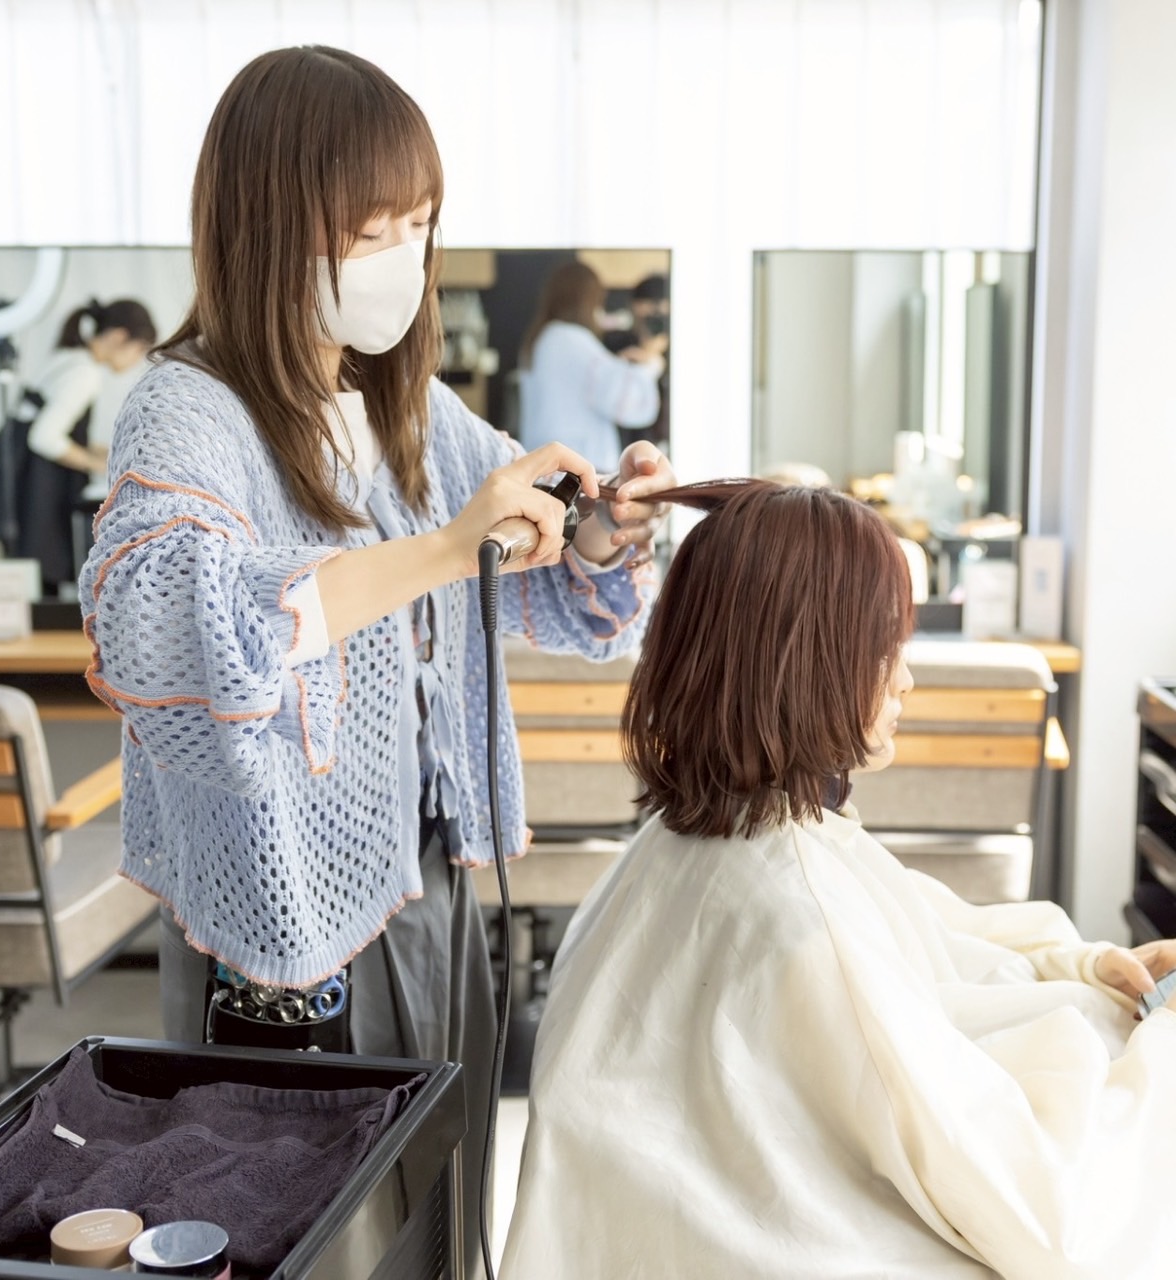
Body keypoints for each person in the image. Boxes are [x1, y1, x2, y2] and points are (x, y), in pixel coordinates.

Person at [76, 45, 674, 1280]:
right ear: (270, 225)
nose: (406, 253)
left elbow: (538, 564)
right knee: (317, 1231)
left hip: (428, 884)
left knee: (435, 1209)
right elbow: (171, 629)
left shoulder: (398, 406)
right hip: (292, 913)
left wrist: (599, 523)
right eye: (374, 226)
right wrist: (445, 545)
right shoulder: (189, 411)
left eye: (421, 222)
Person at [503, 478, 1176, 1279]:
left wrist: (1082, 966)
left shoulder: (696, 844)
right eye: (885, 644)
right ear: (804, 657)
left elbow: (929, 931)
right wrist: (1159, 1047)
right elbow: (1050, 1224)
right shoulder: (804, 919)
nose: (906, 681)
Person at [0, 298, 156, 593]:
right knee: (42, 578)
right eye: (139, 351)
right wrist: (100, 465)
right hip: (34, 491)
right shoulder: (84, 374)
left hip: (13, 476)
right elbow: (45, 437)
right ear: (118, 337)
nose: (136, 361)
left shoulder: (69, 357)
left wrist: (98, 450)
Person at [517, 259, 665, 471]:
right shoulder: (571, 340)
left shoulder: (542, 338)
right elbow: (626, 401)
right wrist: (650, 363)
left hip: (549, 465)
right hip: (577, 470)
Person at [602, 271, 670, 452]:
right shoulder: (616, 342)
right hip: (623, 440)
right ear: (634, 306)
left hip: (664, 438)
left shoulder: (680, 352)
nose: (654, 316)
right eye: (649, 304)